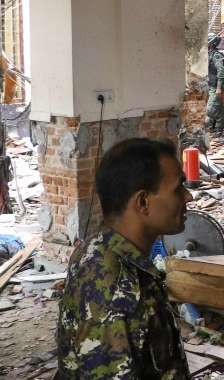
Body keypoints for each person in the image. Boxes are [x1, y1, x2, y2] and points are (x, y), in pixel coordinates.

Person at [57, 138, 194, 380]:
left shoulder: (98, 245)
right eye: (178, 188)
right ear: (143, 202)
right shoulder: (119, 294)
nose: (188, 197)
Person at [205, 32, 224, 138]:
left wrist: (218, 88)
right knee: (219, 109)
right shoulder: (209, 54)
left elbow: (221, 72)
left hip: (216, 87)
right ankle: (219, 130)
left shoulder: (216, 55)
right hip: (211, 86)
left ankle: (203, 131)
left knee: (210, 109)